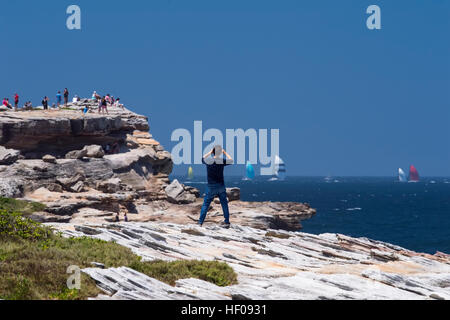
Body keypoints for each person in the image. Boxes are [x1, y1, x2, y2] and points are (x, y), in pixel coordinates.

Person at [198, 145, 233, 228]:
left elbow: (202, 158)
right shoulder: (221, 161)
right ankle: (227, 221)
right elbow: (231, 160)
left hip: (211, 186)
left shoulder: (208, 160)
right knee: (224, 203)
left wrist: (210, 152)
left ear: (212, 152)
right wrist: (224, 152)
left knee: (205, 205)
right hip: (220, 186)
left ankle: (200, 222)